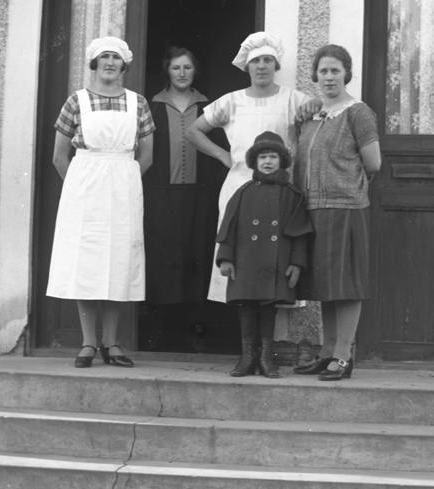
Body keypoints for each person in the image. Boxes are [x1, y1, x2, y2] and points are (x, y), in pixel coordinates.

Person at [45, 36, 154, 368]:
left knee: (118, 261)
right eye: (104, 57)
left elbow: (146, 156)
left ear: (124, 65)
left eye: (116, 58)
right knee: (87, 262)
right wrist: (82, 187)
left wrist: (121, 180)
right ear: (94, 63)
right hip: (85, 189)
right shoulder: (75, 101)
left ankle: (113, 342)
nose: (110, 63)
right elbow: (59, 156)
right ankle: (88, 343)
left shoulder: (139, 103)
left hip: (123, 185)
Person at [185, 32, 314, 304]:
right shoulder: (232, 101)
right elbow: (194, 131)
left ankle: (270, 339)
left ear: (276, 66)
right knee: (240, 256)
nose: (262, 66)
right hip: (240, 189)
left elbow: (322, 114)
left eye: (268, 60)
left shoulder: (294, 100)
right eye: (256, 61)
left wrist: (315, 104)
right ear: (248, 66)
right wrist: (222, 154)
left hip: (280, 193)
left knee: (277, 255)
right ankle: (245, 335)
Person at [292, 44, 382, 380]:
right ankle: (327, 351)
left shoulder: (357, 112)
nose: (329, 76)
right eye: (323, 71)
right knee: (326, 285)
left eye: (335, 70)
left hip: (345, 208)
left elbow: (373, 162)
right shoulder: (313, 114)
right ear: (315, 75)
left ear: (347, 74)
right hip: (313, 207)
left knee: (346, 284)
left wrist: (345, 183)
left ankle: (343, 356)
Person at [216, 132, 312, 377]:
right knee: (246, 307)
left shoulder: (292, 195)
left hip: (277, 263)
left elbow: (300, 232)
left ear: (282, 161)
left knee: (269, 308)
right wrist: (226, 258)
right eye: (262, 157)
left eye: (272, 157)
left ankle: (266, 358)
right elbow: (229, 228)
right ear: (254, 162)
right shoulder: (243, 192)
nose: (267, 162)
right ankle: (247, 358)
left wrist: (296, 264)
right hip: (246, 262)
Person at [144, 46, 226, 306]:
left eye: (187, 67)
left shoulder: (208, 105)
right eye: (176, 67)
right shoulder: (151, 106)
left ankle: (196, 319)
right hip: (161, 193)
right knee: (163, 252)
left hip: (199, 193)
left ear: (195, 71)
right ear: (167, 71)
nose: (182, 73)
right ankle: (163, 317)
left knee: (197, 251)